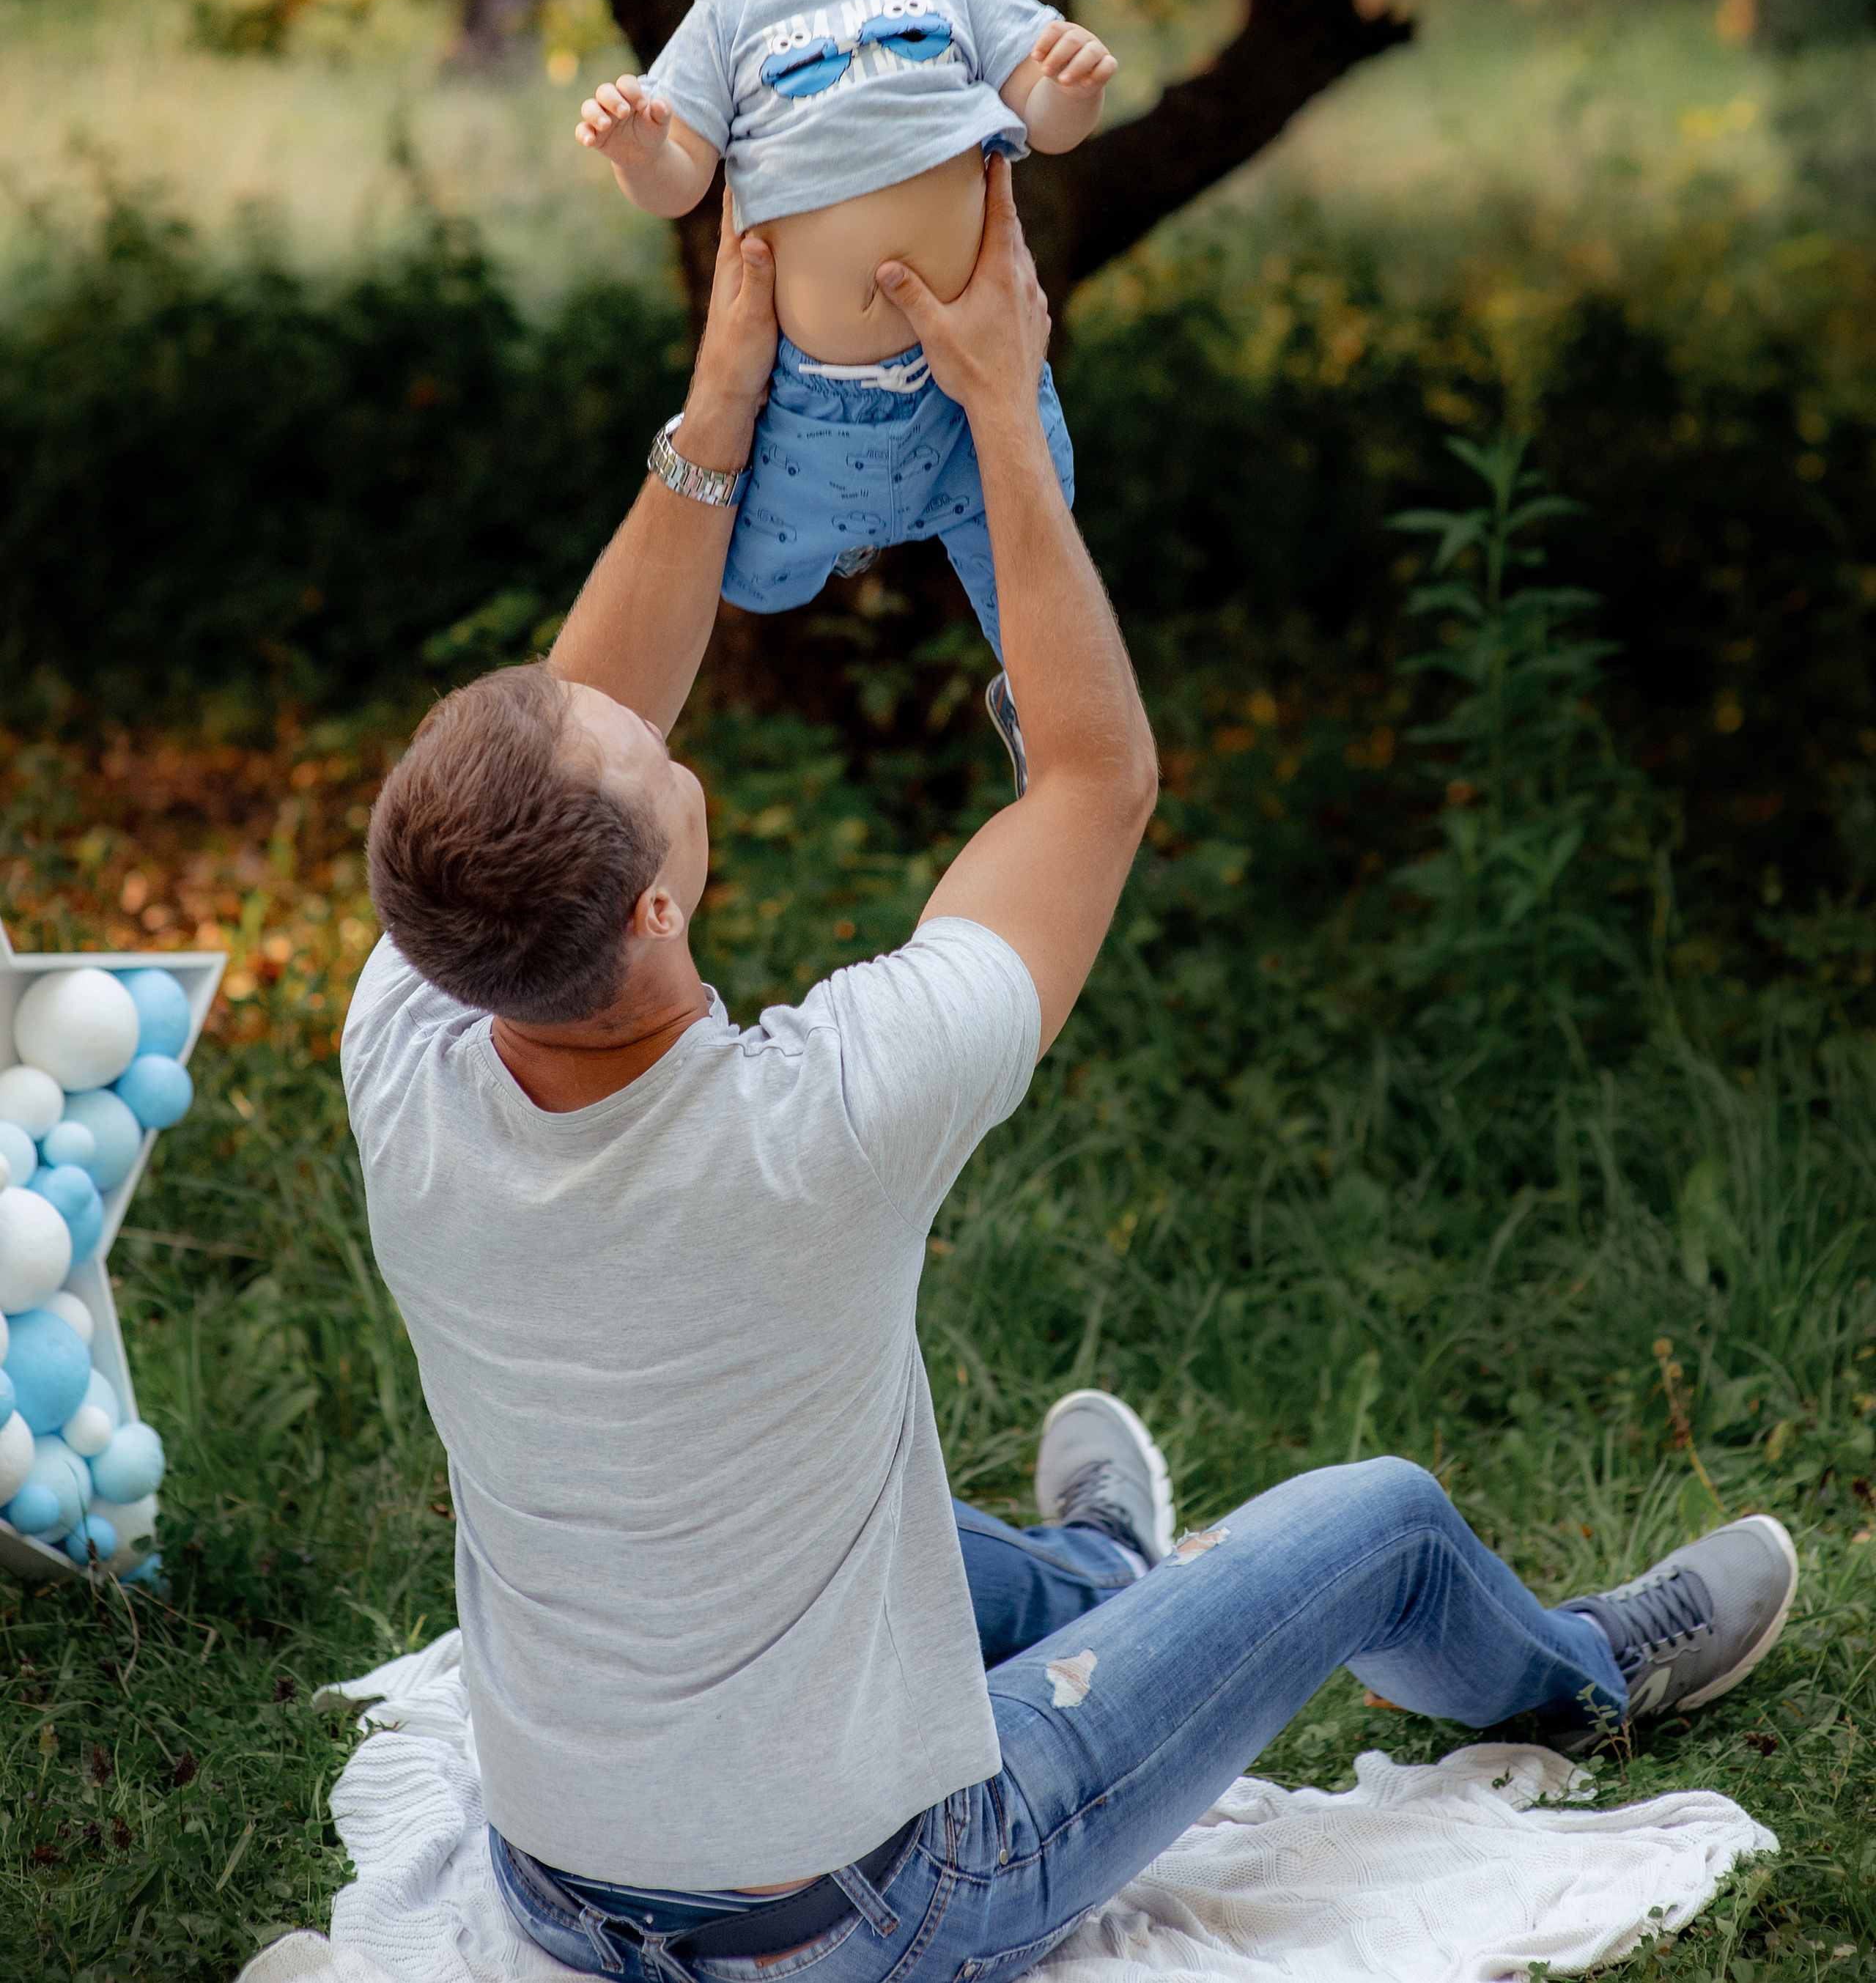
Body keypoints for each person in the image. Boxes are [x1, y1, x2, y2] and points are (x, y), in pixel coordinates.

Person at [341, 173, 1798, 1983]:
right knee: (1381, 1518)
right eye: (638, 757)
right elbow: (1091, 785)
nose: (643, 717)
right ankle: (1581, 1674)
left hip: (559, 1882)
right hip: (879, 1903)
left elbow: (574, 744)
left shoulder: (404, 1037)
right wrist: (1000, 411)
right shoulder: (821, 1123)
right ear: (651, 899)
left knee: (883, 1518)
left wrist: (719, 416)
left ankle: (1105, 1583)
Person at [571, 0, 1118, 782]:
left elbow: (1044, 122)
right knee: (758, 573)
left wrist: (1071, 89)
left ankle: (1048, 727)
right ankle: (837, 550)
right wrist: (640, 150)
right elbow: (684, 183)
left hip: (985, 377)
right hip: (826, 395)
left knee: (1032, 551)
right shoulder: (728, 17)